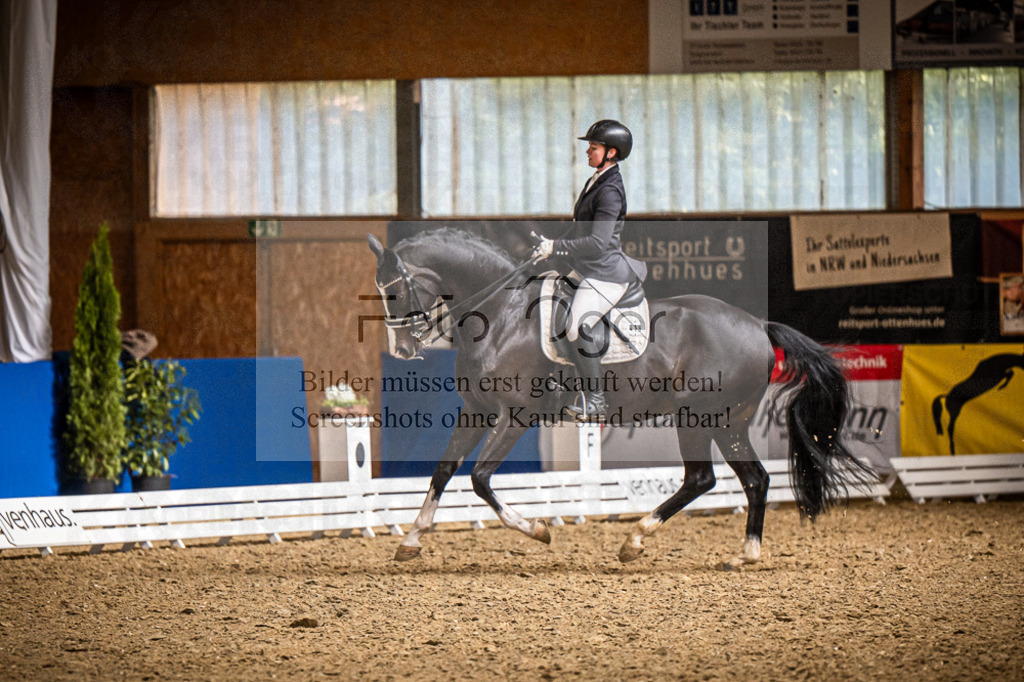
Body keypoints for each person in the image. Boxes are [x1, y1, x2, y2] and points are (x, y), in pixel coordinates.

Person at [534, 120, 647, 420]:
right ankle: (560, 381)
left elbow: (598, 242)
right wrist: (549, 246)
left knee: (577, 325)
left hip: (605, 273)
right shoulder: (597, 179)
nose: (588, 151)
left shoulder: (611, 190)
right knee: (548, 300)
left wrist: (557, 247)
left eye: (593, 147)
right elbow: (579, 228)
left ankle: (596, 400)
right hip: (586, 270)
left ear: (611, 153)